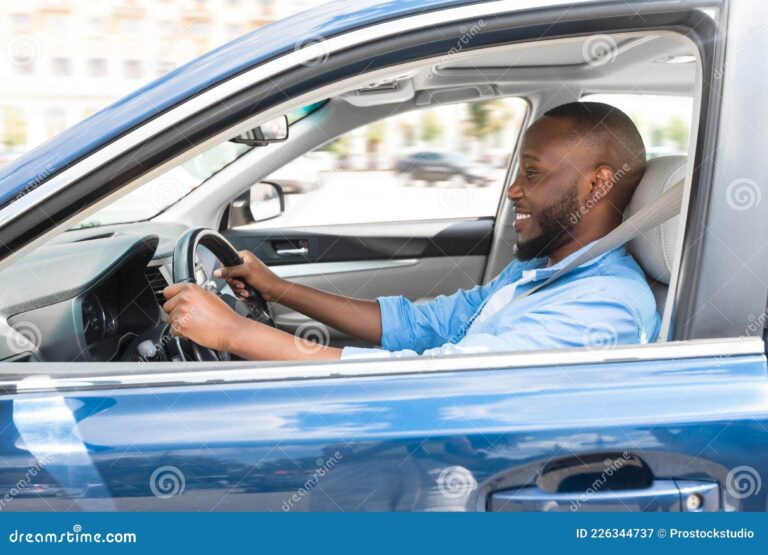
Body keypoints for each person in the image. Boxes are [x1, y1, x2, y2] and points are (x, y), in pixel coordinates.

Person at [162, 101, 659, 361]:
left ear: (598, 184)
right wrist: (279, 289)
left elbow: (435, 378)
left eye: (531, 173)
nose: (512, 191)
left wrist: (235, 331)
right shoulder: (538, 270)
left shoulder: (605, 303)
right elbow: (419, 328)